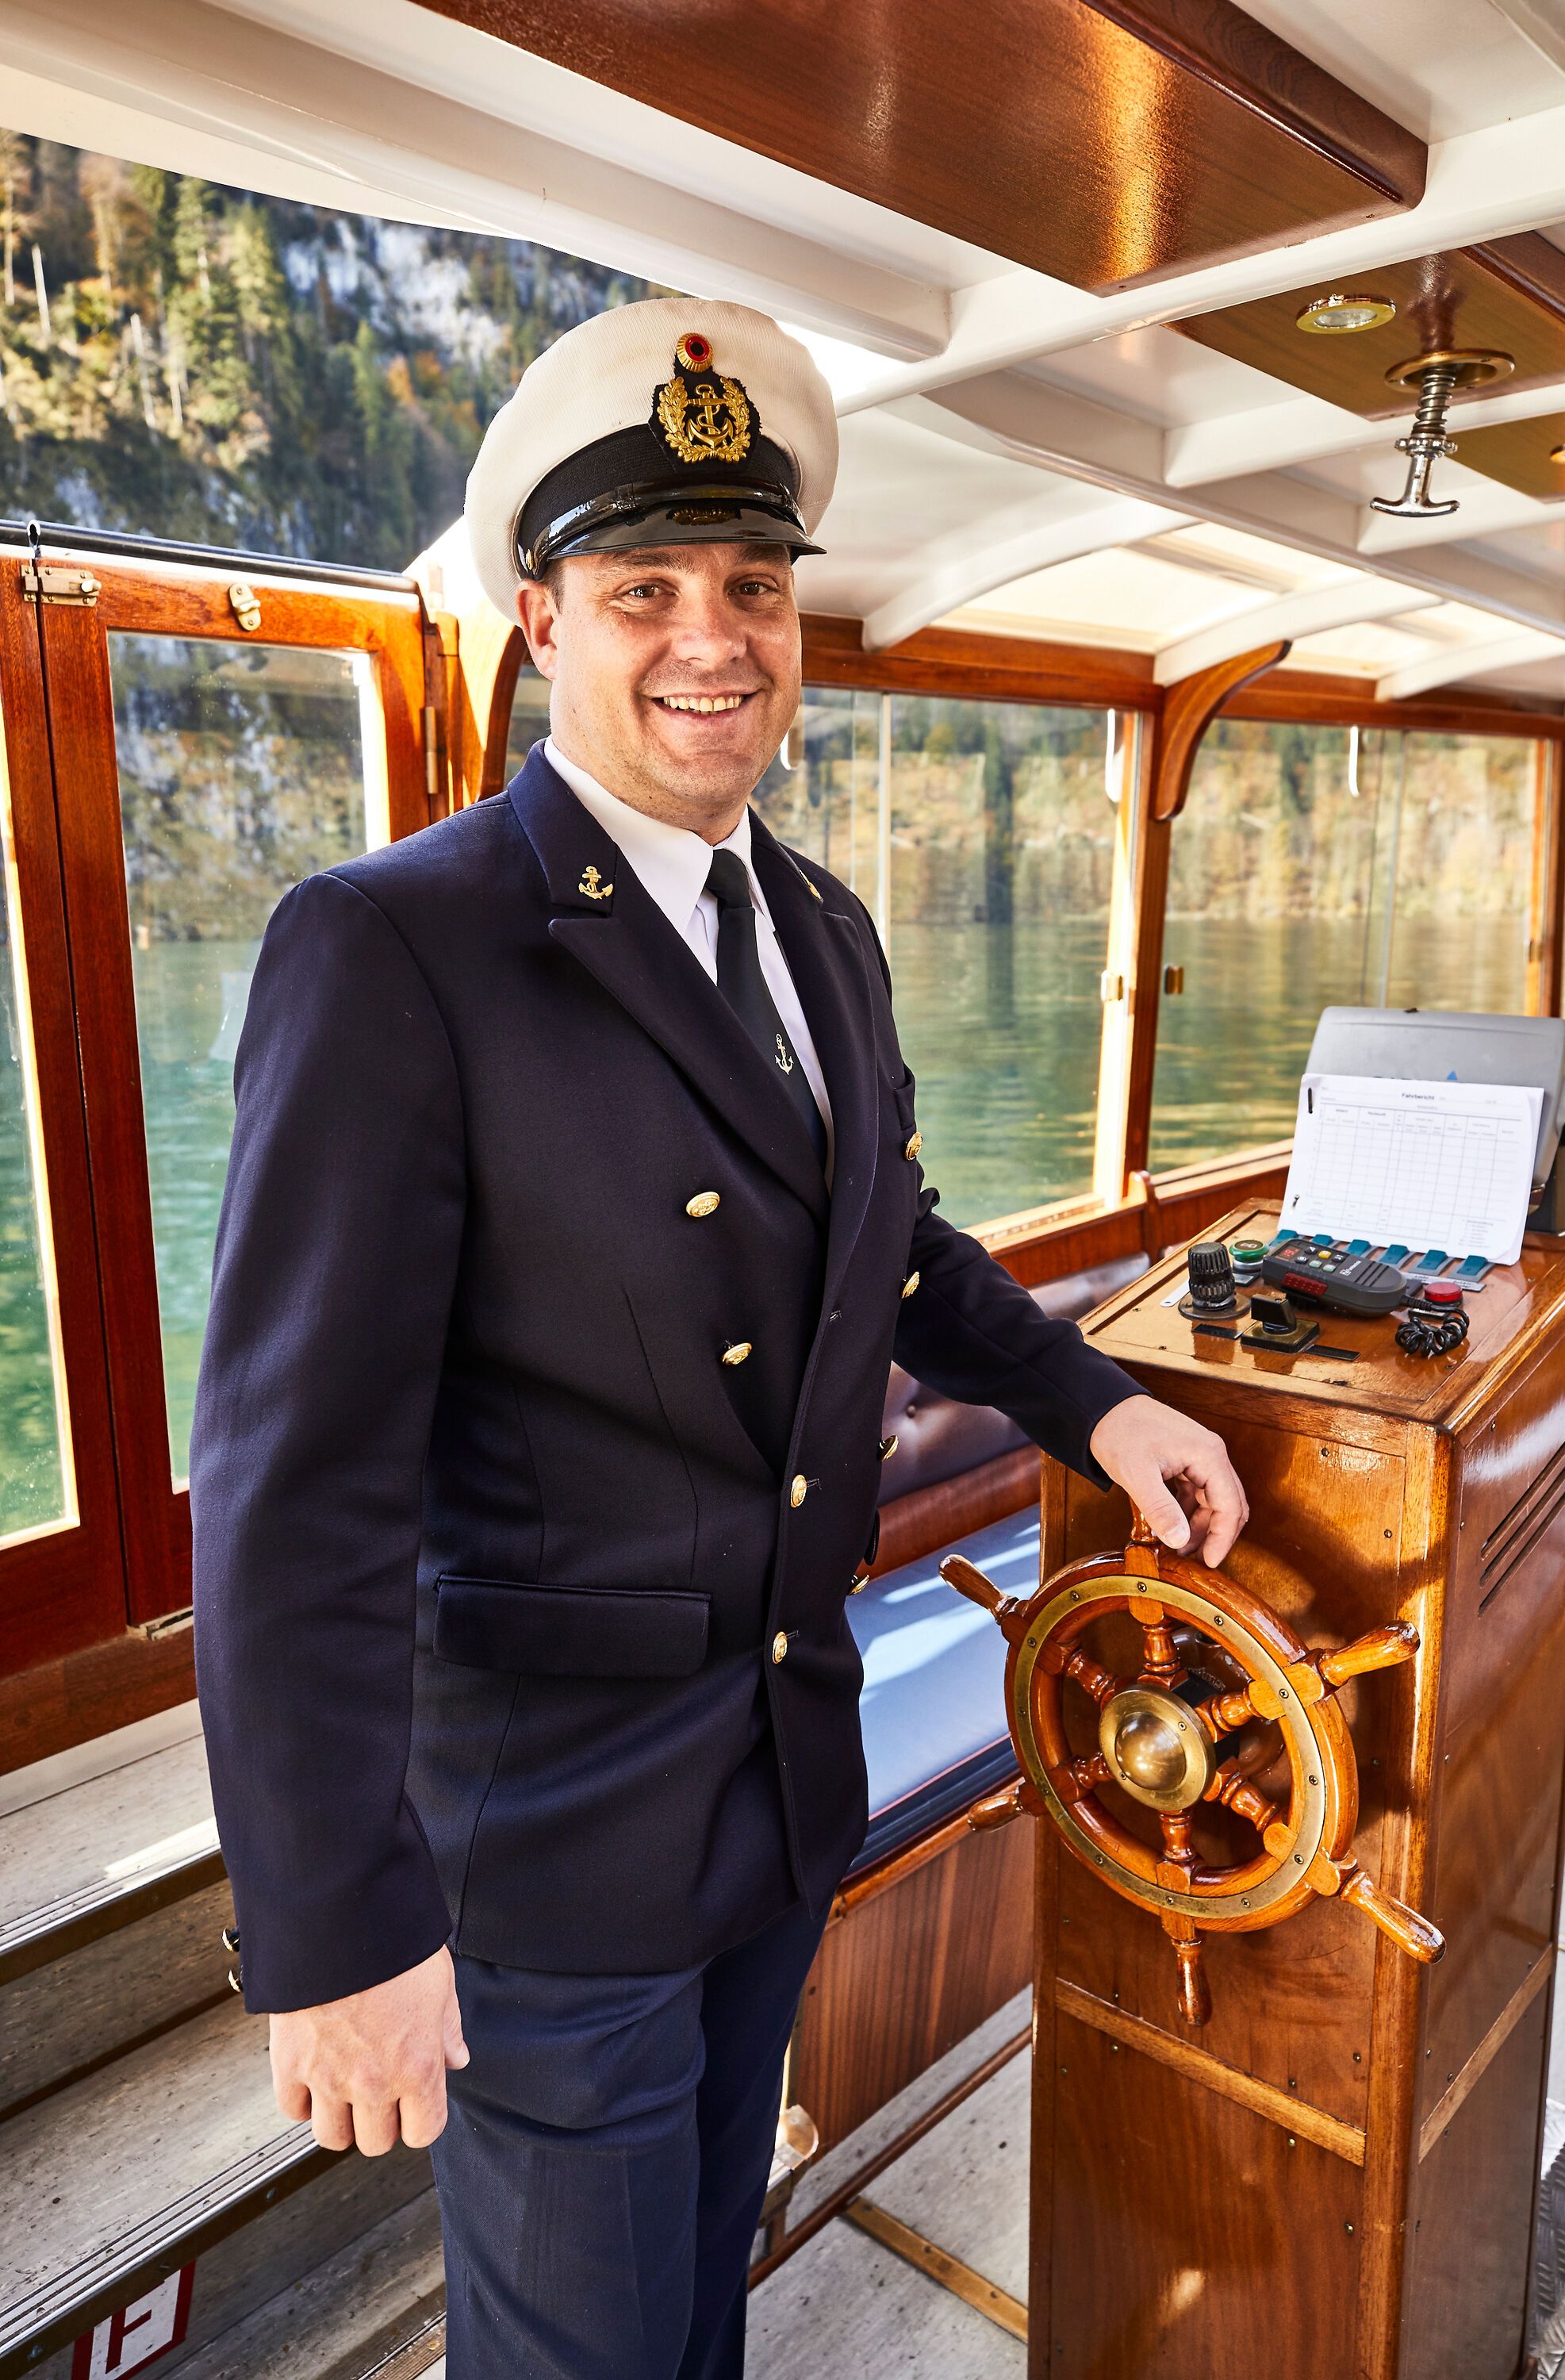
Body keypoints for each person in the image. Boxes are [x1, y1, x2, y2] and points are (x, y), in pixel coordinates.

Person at [190, 296, 1248, 2380]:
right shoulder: (398, 949)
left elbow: (895, 1248)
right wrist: (338, 1933)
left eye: (751, 585)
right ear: (540, 621)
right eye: (645, 587)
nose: (712, 635)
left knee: (691, 2304)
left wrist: (1097, 1403)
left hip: (780, 1779)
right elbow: (289, 1491)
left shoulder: (826, 935)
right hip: (544, 1837)